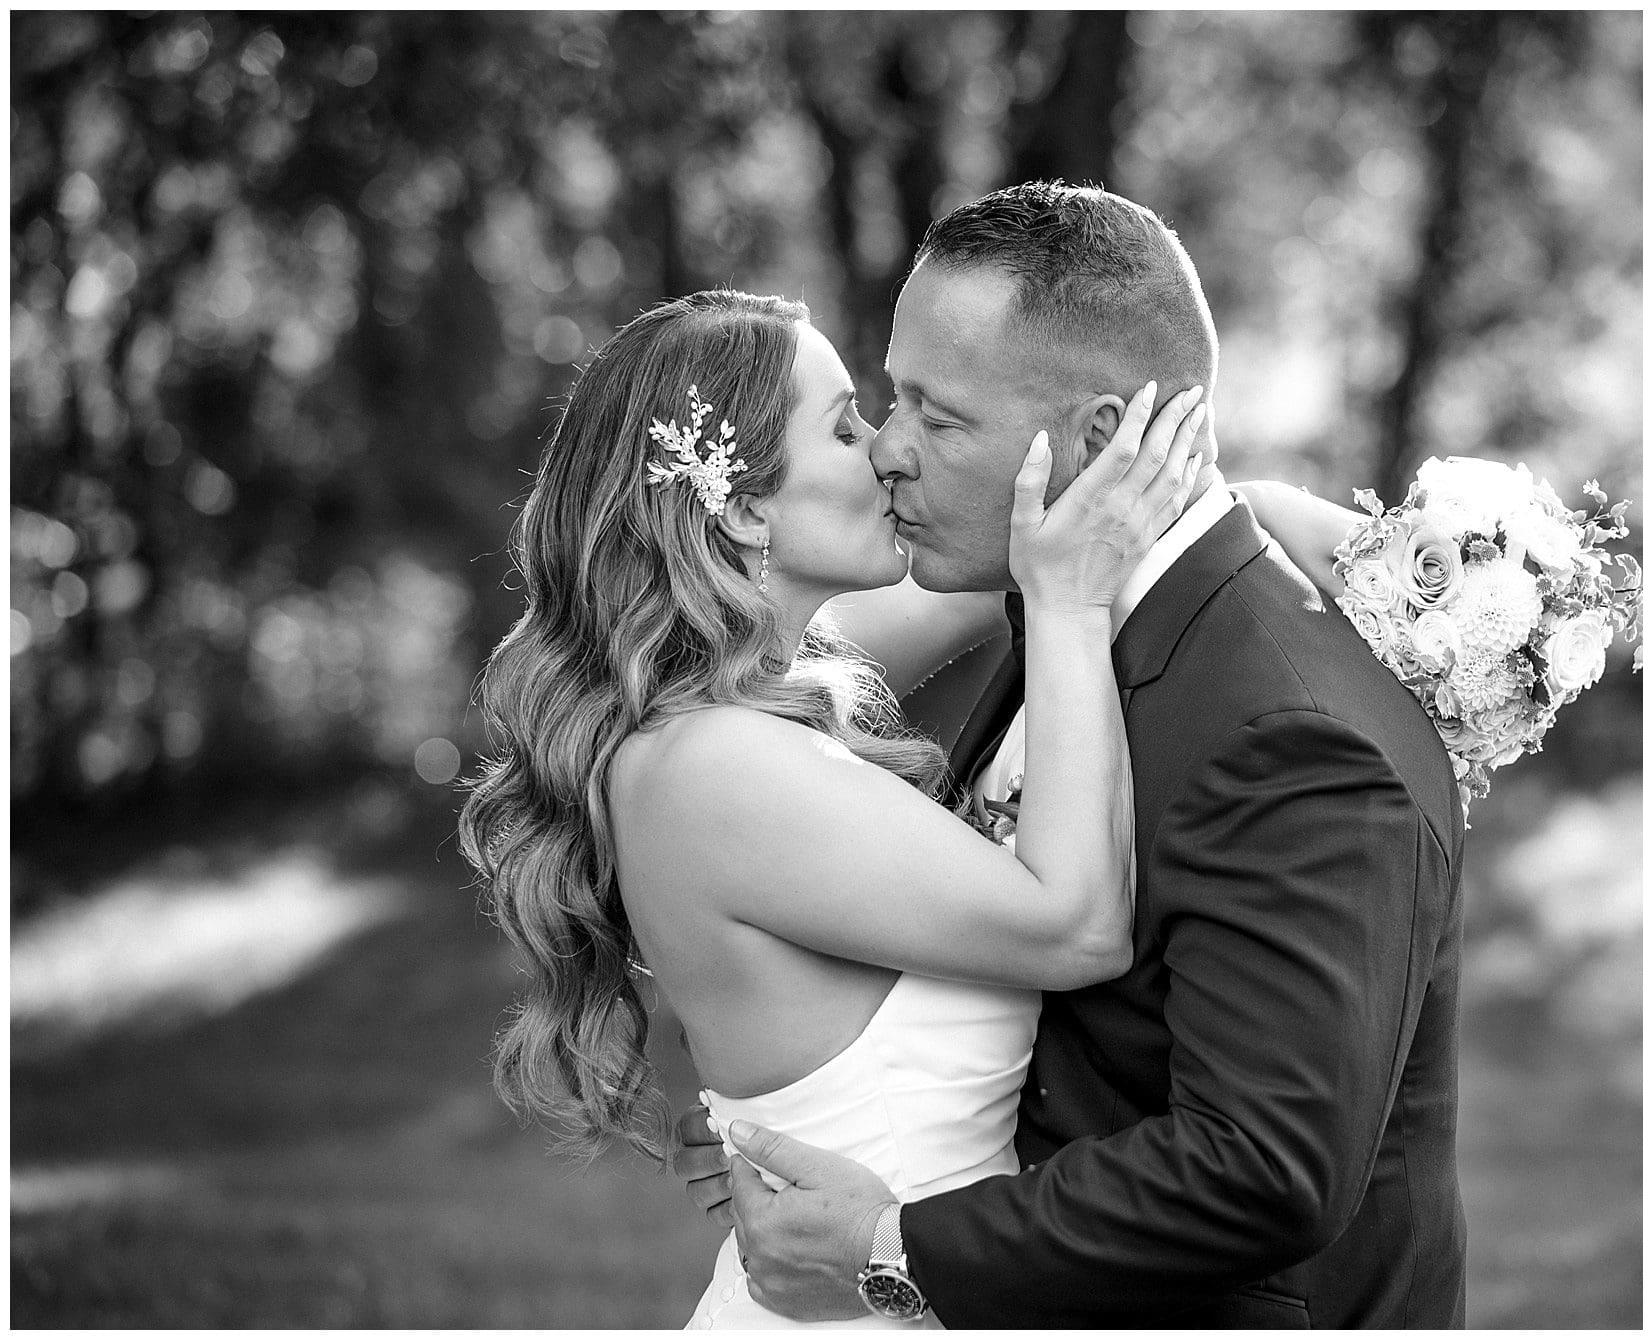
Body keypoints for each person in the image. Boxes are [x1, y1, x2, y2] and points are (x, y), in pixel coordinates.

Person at [671, 183, 1467, 1328]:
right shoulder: (1063, 613)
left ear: (1096, 437)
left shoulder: (1289, 733)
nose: (889, 450)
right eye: (889, 398)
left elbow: (1259, 1167)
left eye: (937, 418)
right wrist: (804, 1103)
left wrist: (888, 1245)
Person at [458, 285, 1298, 1329]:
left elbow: (1000, 556)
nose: (890, 447)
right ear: (745, 506)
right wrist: (1070, 606)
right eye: (846, 422)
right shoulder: (710, 765)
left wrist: (1251, 510)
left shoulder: (741, 703)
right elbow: (1074, 923)